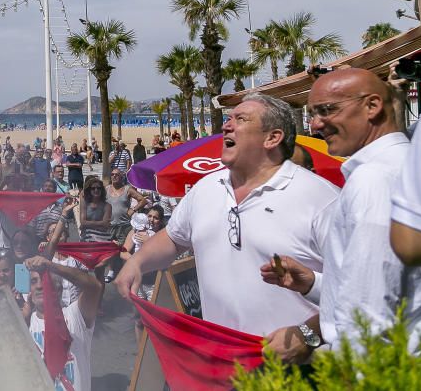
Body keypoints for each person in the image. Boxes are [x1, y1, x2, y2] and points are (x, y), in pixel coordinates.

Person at [115, 94, 338, 358]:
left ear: (272, 138)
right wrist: (137, 262)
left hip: (298, 367)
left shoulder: (323, 199)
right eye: (229, 118)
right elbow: (174, 238)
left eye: (240, 119)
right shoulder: (206, 187)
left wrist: (308, 334)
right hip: (221, 364)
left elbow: (363, 290)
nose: (226, 126)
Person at [262, 68, 421, 354]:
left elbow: (370, 316)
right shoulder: (401, 165)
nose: (315, 125)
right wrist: (313, 283)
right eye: (313, 113)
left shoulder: (374, 178)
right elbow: (388, 291)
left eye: (327, 110)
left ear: (372, 106)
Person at [24, 253, 103, 390]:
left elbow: (94, 287)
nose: (39, 286)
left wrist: (52, 266)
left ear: (59, 290)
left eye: (45, 280)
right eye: (33, 281)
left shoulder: (75, 315)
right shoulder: (25, 323)